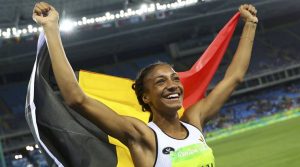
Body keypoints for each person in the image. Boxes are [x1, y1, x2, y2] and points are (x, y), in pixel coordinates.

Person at [32, 2, 257, 167]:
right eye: (160, 82)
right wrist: (51, 28)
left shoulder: (194, 122)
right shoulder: (142, 136)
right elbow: (76, 98)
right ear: (146, 97)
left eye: (174, 78)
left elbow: (233, 77)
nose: (172, 85)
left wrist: (250, 25)